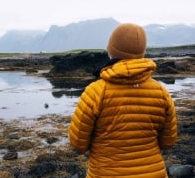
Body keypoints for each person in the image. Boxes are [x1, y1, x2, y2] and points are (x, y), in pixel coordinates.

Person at [69, 23, 177, 178]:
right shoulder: (161, 92)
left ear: (111, 51)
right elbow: (168, 142)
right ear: (142, 52)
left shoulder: (95, 92)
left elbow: (78, 144)